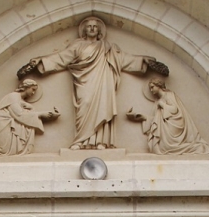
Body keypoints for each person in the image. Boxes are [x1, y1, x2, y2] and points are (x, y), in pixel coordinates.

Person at [17, 16, 169, 151]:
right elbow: (61, 58)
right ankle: (81, 141)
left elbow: (125, 59)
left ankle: (101, 142)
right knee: (85, 104)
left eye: (95, 27)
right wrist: (41, 61)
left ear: (99, 30)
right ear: (84, 30)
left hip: (103, 82)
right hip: (83, 82)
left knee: (103, 107)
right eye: (89, 26)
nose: (92, 29)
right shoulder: (77, 46)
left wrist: (144, 61)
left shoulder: (108, 48)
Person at [0, 79, 59, 156]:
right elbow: (19, 114)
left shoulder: (19, 100)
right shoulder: (13, 96)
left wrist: (45, 114)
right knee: (1, 150)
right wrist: (40, 114)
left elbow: (22, 113)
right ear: (26, 87)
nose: (33, 93)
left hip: (9, 123)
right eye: (33, 89)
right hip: (3, 124)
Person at [127, 78, 209, 155]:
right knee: (156, 148)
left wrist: (162, 105)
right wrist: (141, 117)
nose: (151, 90)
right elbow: (157, 120)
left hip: (173, 125)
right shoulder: (158, 101)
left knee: (161, 147)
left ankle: (195, 147)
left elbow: (175, 110)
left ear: (158, 85)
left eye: (152, 87)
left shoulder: (169, 95)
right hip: (165, 127)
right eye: (150, 88)